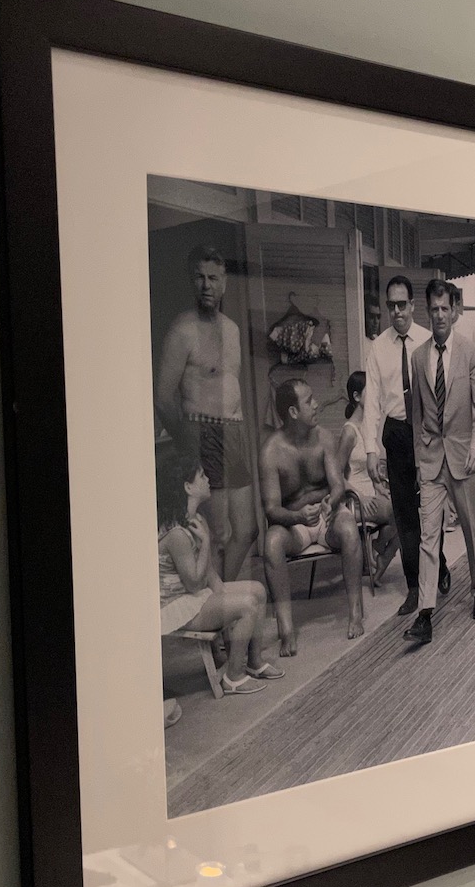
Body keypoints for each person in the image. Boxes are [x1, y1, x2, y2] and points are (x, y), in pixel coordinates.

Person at [154, 245, 258, 582]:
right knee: (218, 533)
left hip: (234, 434)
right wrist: (188, 440)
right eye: (199, 277)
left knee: (247, 530)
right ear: (191, 281)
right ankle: (218, 612)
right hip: (202, 432)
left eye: (213, 277)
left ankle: (221, 595)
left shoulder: (232, 330)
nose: (206, 285)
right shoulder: (182, 330)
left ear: (224, 282)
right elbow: (162, 397)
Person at [402, 279, 475, 644]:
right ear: (428, 311)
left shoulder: (470, 352)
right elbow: (417, 414)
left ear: (454, 311)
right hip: (431, 460)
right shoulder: (418, 357)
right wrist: (418, 458)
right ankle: (426, 613)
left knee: (471, 528)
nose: (439, 315)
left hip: (461, 456)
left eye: (444, 309)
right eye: (433, 309)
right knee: (428, 536)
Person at [156, 445, 283, 696]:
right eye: (202, 476)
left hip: (192, 596)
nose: (208, 480)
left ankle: (254, 662)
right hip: (175, 606)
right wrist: (204, 544)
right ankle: (234, 676)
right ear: (188, 487)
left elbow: (210, 573)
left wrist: (224, 595)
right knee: (246, 605)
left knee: (255, 590)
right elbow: (193, 583)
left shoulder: (195, 519)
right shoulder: (176, 534)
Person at [261, 378, 366, 651]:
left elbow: (337, 483)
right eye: (309, 401)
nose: (316, 404)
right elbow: (271, 508)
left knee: (349, 529)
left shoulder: (324, 438)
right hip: (295, 524)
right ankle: (286, 629)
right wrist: (297, 517)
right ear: (293, 412)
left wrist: (332, 501)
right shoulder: (271, 451)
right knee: (272, 543)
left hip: (326, 514)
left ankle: (355, 613)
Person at [362, 276, 434, 617]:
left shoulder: (427, 340)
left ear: (413, 305)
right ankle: (414, 588)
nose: (396, 311)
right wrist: (372, 451)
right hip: (396, 434)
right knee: (405, 516)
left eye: (401, 304)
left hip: (425, 433)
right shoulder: (378, 347)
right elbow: (372, 402)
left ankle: (440, 568)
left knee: (432, 509)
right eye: (391, 305)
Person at [338, 371, 399, 581]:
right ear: (356, 397)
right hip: (355, 502)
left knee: (406, 514)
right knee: (403, 515)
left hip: (371, 497)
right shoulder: (349, 432)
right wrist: (358, 495)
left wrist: (379, 485)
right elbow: (336, 476)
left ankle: (376, 553)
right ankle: (376, 558)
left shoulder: (368, 428)